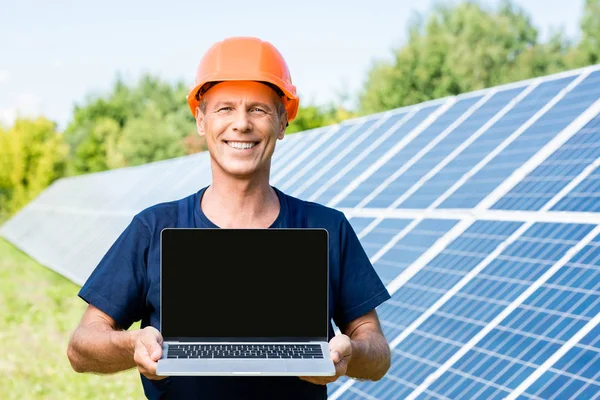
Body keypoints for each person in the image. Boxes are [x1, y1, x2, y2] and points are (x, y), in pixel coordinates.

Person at [67, 37, 391, 399]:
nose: (241, 124)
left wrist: (350, 354)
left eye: (258, 110)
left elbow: (377, 353)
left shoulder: (329, 228)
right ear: (201, 120)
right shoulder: (153, 228)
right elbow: (81, 346)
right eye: (224, 109)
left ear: (283, 122)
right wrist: (132, 345)